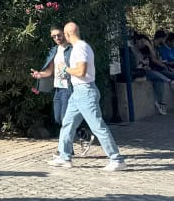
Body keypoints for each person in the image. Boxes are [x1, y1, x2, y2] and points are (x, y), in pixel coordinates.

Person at [48, 22, 126, 171]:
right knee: (67, 124)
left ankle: (117, 159)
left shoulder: (80, 48)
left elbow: (81, 71)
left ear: (67, 34)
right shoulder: (80, 47)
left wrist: (65, 68)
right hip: (78, 92)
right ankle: (64, 157)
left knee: (97, 126)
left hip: (85, 91)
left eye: (63, 34)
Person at [31, 25, 96, 153]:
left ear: (65, 34)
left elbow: (79, 68)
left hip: (69, 88)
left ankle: (66, 150)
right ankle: (82, 134)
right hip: (58, 89)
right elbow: (50, 71)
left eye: (59, 35)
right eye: (53, 36)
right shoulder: (54, 50)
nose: (56, 38)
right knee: (58, 119)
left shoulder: (72, 49)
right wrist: (39, 74)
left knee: (65, 119)